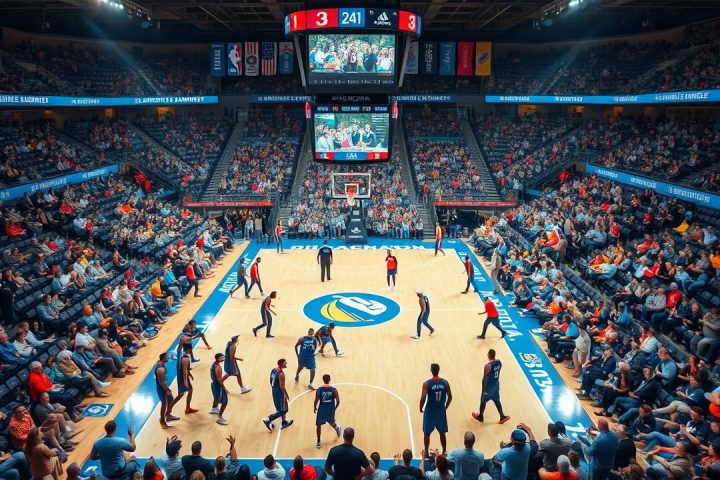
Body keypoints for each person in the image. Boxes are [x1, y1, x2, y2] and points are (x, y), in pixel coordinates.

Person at [420, 363, 452, 454]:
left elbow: (423, 397)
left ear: (431, 370)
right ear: (438, 370)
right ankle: (444, 451)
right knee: (442, 433)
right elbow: (450, 397)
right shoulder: (445, 382)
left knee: (427, 433)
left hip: (430, 412)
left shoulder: (426, 384)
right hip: (440, 411)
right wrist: (445, 407)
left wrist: (420, 407)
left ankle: (426, 451)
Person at [472, 349, 510, 424]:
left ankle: (480, 416)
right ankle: (502, 416)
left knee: (483, 401)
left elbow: (484, 379)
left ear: (488, 355)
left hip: (489, 388)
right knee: (497, 400)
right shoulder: (499, 362)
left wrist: (483, 390)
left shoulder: (487, 366)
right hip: (496, 385)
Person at [263, 358, 294, 432]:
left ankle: (284, 421)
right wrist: (287, 395)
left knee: (281, 408)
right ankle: (268, 419)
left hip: (274, 389)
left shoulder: (274, 370)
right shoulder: (281, 374)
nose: (286, 364)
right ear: (281, 364)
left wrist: (274, 388)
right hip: (279, 392)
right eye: (285, 363)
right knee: (285, 409)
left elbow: (270, 380)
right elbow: (282, 387)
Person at [314, 373, 342, 449]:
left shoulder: (319, 390)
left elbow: (316, 400)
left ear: (323, 380)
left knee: (318, 425)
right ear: (329, 380)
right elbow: (338, 401)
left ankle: (318, 441)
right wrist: (334, 408)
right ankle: (337, 428)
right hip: (330, 409)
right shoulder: (334, 390)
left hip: (322, 409)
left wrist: (314, 407)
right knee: (331, 421)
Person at [155, 352, 179, 429]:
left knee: (171, 400)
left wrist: (171, 355)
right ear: (163, 358)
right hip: (162, 389)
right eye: (167, 356)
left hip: (164, 387)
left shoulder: (162, 364)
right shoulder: (161, 369)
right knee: (164, 405)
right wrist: (167, 389)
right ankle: (162, 422)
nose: (168, 357)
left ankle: (168, 416)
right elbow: (161, 382)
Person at [172, 343, 198, 415]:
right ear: (189, 349)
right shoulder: (185, 358)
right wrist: (185, 382)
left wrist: (189, 374)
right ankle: (168, 410)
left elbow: (185, 369)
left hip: (182, 377)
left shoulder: (183, 355)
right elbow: (184, 371)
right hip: (183, 378)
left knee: (189, 391)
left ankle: (187, 408)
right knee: (180, 395)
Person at [210, 353, 230, 425]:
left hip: (214, 384)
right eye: (222, 357)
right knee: (225, 401)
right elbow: (219, 380)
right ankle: (220, 417)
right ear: (217, 358)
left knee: (216, 398)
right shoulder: (217, 368)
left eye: (223, 357)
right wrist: (225, 388)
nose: (223, 358)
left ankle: (214, 409)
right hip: (217, 386)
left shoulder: (214, 364)